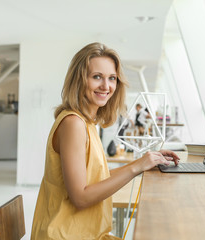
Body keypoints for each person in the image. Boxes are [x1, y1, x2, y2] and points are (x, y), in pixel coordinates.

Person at [31, 42, 180, 240]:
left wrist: (143, 163)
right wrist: (135, 168)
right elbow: (81, 198)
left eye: (112, 78)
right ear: (79, 80)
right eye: (96, 77)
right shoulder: (73, 124)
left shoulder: (86, 123)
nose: (106, 86)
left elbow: (94, 177)